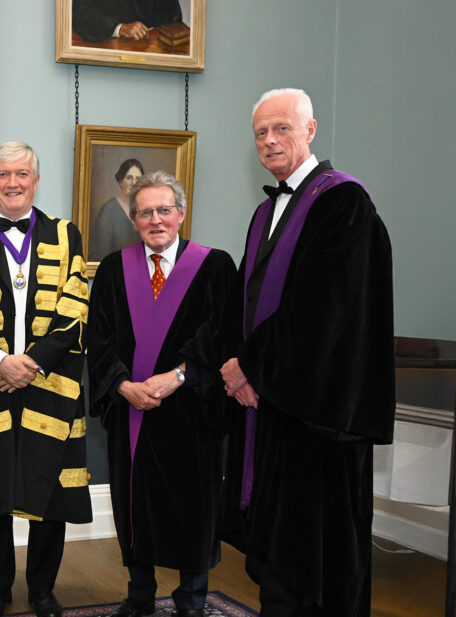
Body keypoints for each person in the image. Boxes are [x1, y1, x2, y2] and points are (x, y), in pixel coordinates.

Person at [219, 88, 394, 616]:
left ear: (310, 130)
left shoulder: (343, 202)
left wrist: (247, 364)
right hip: (272, 404)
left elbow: (322, 309)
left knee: (316, 563)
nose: (270, 140)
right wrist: (236, 364)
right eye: (261, 132)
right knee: (276, 558)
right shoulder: (263, 213)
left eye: (282, 128)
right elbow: (247, 300)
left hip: (318, 415)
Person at [0, 141, 91, 617]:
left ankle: (43, 589)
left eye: (22, 174)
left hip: (49, 380)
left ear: (36, 180)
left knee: (48, 487)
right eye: (3, 174)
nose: (12, 183)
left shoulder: (66, 234)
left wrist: (32, 362)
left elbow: (75, 306)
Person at [86, 171, 235, 617]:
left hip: (192, 411)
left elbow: (222, 336)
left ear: (182, 213)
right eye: (145, 212)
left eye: (164, 210)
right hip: (133, 409)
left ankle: (192, 599)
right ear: (133, 219)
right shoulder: (114, 269)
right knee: (135, 505)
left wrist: (179, 376)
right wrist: (122, 385)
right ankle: (140, 595)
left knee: (194, 506)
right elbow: (100, 339)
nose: (156, 220)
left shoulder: (215, 267)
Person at [89, 158, 144, 260]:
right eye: (129, 178)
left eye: (138, 179)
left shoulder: (147, 210)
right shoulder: (108, 210)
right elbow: (101, 253)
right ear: (120, 181)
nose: (133, 183)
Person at [72, 0, 183, 42]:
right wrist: (120, 28)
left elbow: (175, 17)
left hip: (157, 52)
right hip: (114, 51)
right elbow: (81, 12)